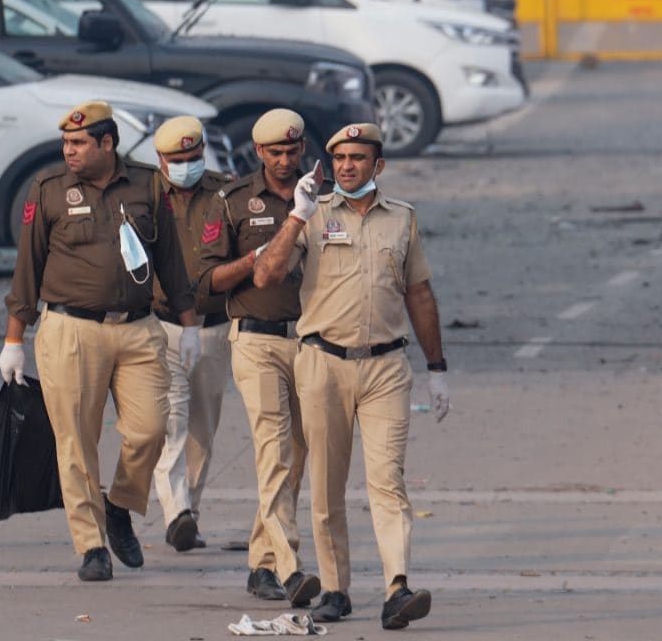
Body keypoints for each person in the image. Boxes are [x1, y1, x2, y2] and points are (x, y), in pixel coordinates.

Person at [254, 122, 450, 630]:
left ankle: (397, 587)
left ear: (377, 165)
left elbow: (419, 294)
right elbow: (267, 275)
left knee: (388, 481)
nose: (346, 166)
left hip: (386, 366)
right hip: (322, 364)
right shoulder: (313, 213)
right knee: (326, 485)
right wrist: (296, 216)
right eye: (339, 158)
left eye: (358, 158)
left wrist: (437, 368)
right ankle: (335, 589)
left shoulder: (402, 219)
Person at [0, 100, 201, 582]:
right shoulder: (48, 188)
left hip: (138, 328)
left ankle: (120, 505)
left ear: (107, 143)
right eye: (65, 143)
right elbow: (28, 265)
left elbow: (170, 260)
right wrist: (14, 339)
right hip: (71, 329)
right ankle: (91, 545)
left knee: (151, 429)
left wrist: (190, 324)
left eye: (78, 143)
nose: (68, 151)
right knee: (76, 440)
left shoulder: (148, 184)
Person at [198, 108, 320, 608]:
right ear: (259, 152)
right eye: (276, 152)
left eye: (292, 150)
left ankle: (261, 564)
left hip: (312, 342)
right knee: (274, 451)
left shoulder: (324, 195)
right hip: (256, 340)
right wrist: (256, 258)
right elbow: (208, 280)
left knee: (296, 456)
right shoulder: (232, 201)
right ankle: (289, 568)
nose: (285, 160)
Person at [149, 116, 233, 553]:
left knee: (203, 426)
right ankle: (175, 510)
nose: (187, 166)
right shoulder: (145, 194)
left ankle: (190, 513)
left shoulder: (226, 193)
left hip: (214, 325)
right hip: (162, 324)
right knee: (172, 422)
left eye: (194, 157)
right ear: (161, 159)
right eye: (177, 160)